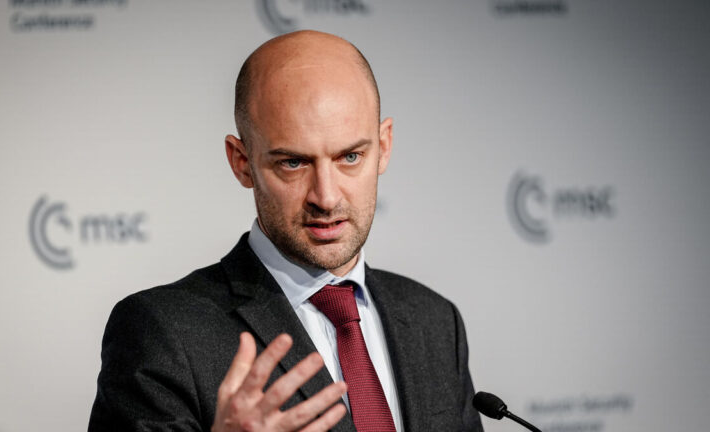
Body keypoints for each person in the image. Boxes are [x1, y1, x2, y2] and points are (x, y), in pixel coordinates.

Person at [89, 30, 483, 432]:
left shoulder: (435, 321)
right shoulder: (163, 333)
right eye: (293, 163)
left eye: (350, 157)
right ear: (242, 162)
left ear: (383, 146)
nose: (326, 197)